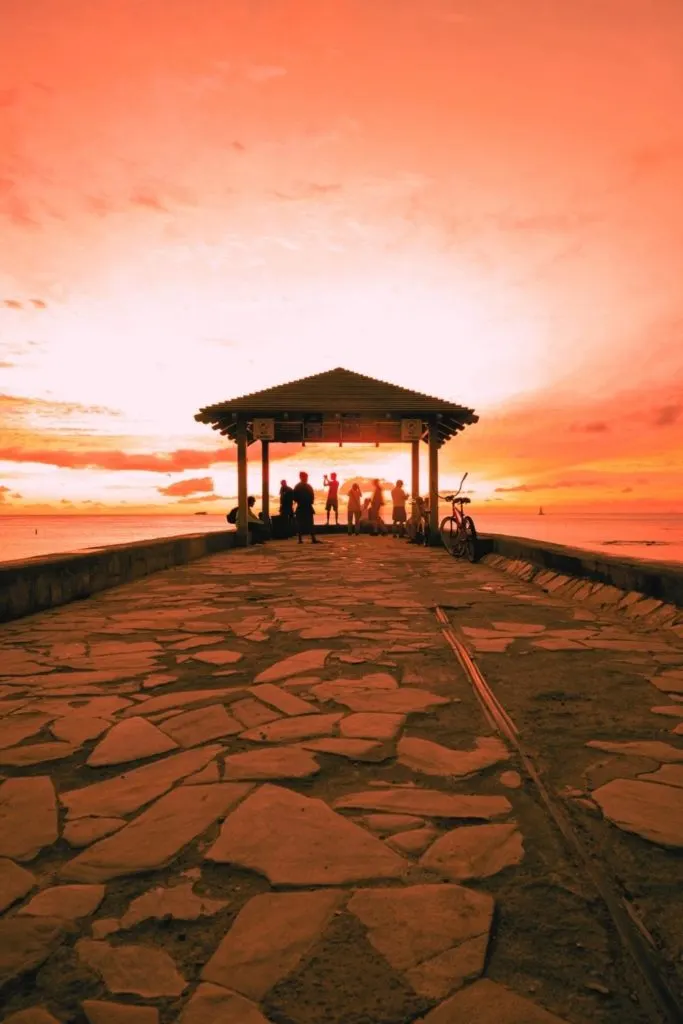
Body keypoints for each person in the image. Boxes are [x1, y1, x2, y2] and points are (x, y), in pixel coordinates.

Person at [292, 471, 319, 544]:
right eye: (305, 477)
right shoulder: (298, 486)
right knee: (300, 523)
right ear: (301, 477)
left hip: (307, 506)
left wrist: (310, 501)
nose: (306, 478)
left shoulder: (307, 486)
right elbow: (294, 497)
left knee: (310, 522)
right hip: (301, 506)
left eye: (306, 477)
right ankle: (300, 539)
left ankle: (313, 538)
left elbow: (312, 495)